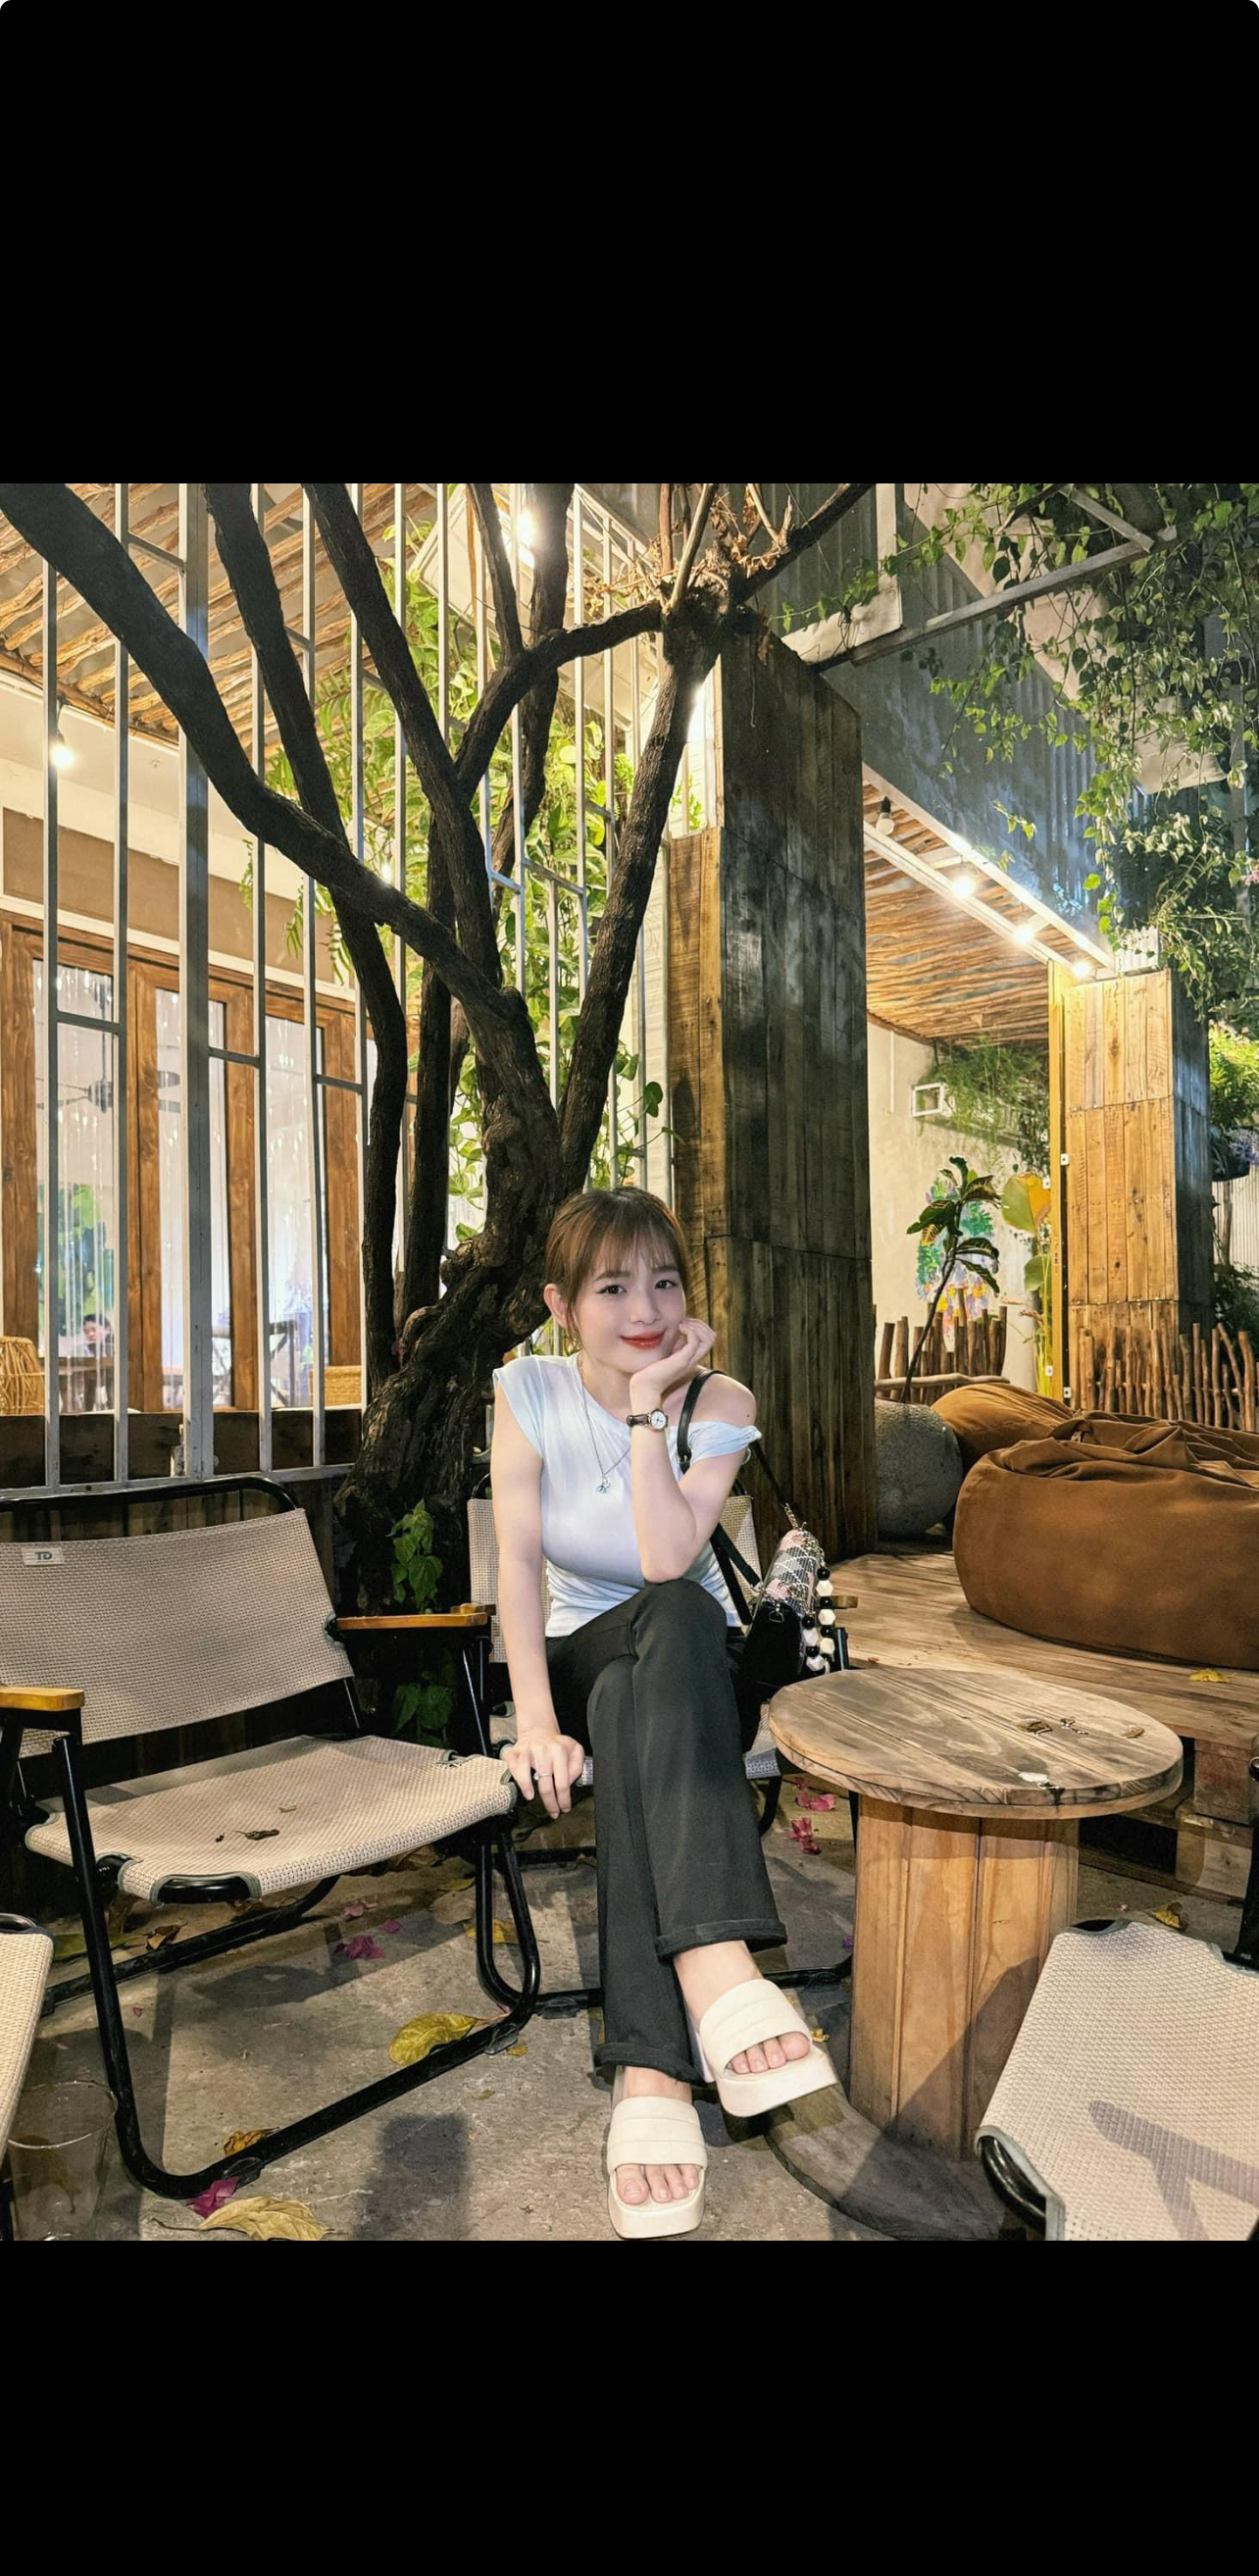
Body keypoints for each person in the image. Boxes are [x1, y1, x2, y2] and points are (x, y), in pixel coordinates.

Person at [492, 1185, 836, 2241]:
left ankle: (652, 2069)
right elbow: (516, 1565)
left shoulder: (716, 1399)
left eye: (665, 1280)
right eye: (611, 1286)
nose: (644, 1307)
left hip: (687, 1672)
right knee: (642, 1645)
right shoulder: (527, 1391)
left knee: (674, 1618)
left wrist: (650, 1407)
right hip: (579, 1652)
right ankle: (718, 1966)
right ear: (561, 1305)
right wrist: (534, 1720)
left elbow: (664, 1556)